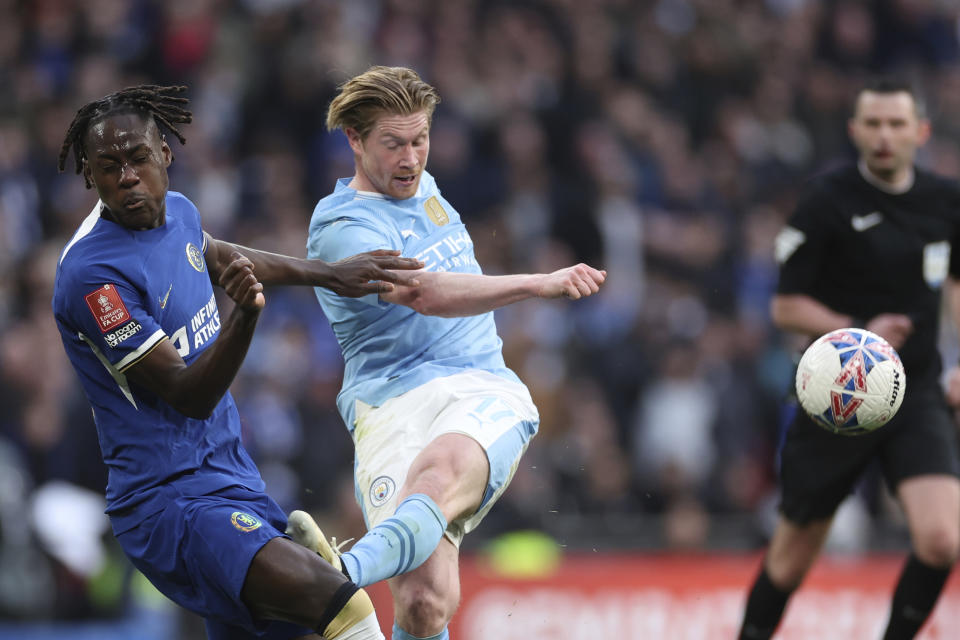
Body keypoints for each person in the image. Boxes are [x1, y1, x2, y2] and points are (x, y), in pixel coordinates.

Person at [52, 84, 427, 640]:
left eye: (138, 159)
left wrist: (331, 274)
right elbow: (188, 393)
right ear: (89, 175)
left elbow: (218, 256)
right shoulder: (93, 278)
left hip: (231, 477)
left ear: (166, 155)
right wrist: (245, 316)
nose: (127, 177)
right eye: (109, 167)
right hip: (170, 501)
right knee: (342, 607)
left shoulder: (177, 213)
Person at [297, 66, 606, 640]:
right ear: (355, 141)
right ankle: (341, 580)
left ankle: (336, 573)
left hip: (479, 388)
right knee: (423, 602)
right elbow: (422, 292)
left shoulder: (426, 187)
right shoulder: (341, 226)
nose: (411, 159)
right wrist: (536, 283)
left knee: (436, 476)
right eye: (393, 144)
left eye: (421, 140)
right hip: (387, 407)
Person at [738, 78, 960, 639]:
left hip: (919, 391)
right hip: (837, 399)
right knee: (789, 563)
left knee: (942, 540)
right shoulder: (824, 203)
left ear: (920, 132)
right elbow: (785, 306)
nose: (885, 136)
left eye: (897, 124)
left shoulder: (945, 202)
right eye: (874, 124)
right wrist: (860, 332)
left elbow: (956, 285)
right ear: (855, 131)